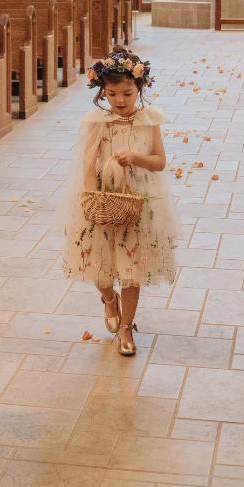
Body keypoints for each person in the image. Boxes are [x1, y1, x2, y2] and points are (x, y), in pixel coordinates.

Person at [61, 50, 177, 358]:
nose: (120, 100)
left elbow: (160, 161)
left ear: (140, 89)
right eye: (112, 94)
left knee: (131, 266)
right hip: (102, 197)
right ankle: (108, 299)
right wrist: (91, 197)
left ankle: (126, 326)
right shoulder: (98, 121)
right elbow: (88, 161)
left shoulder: (149, 121)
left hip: (138, 200)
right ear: (102, 93)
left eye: (127, 93)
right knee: (99, 264)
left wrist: (135, 158)